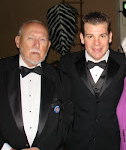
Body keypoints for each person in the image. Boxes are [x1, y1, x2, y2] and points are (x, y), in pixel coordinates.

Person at [60, 11, 126, 150]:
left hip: (113, 143)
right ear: (82, 38)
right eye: (90, 36)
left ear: (110, 37)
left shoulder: (125, 63)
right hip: (77, 143)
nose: (96, 43)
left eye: (102, 36)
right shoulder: (67, 62)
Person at [0, 20, 72, 150]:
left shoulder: (61, 78)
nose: (36, 44)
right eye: (30, 38)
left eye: (42, 40)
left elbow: (67, 121)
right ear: (17, 41)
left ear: (49, 45)